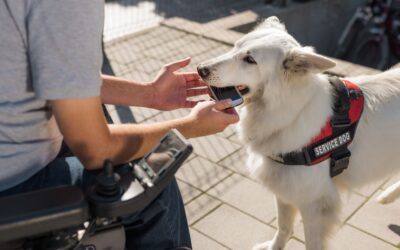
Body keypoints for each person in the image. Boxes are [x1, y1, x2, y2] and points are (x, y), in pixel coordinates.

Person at [0, 1, 239, 249]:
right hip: (13, 184)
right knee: (152, 171)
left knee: (100, 117)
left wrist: (151, 94)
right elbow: (96, 150)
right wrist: (188, 126)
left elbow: (60, 75)